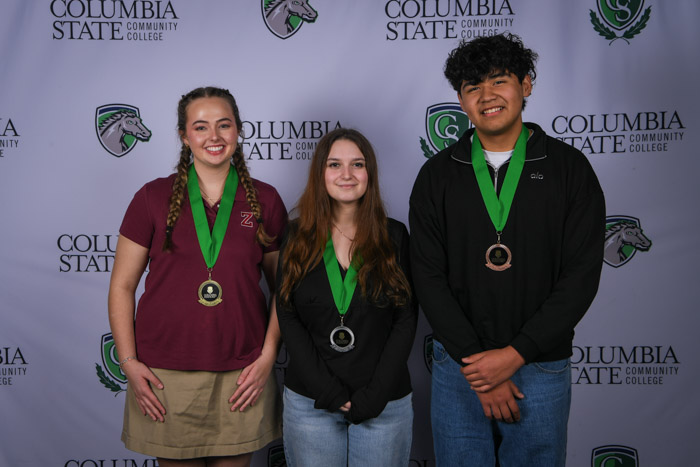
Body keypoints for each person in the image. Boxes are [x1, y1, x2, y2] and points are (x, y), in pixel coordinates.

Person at [409, 33, 605, 466]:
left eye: (499, 81)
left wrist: (514, 355)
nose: (487, 95)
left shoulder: (569, 169)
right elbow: (427, 276)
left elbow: (581, 275)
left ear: (527, 85)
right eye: (472, 87)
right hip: (460, 368)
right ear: (460, 100)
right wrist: (481, 369)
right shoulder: (438, 175)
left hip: (539, 365)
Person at [108, 86, 287, 467]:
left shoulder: (266, 199)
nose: (214, 137)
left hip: (243, 372)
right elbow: (122, 287)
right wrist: (129, 363)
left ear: (238, 130)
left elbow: (283, 290)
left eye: (224, 125)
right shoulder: (151, 197)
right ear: (183, 135)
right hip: (165, 374)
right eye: (201, 127)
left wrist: (268, 357)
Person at [276, 128, 417, 467]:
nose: (346, 175)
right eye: (334, 164)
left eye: (357, 164)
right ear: (319, 174)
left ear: (370, 173)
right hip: (312, 402)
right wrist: (328, 390)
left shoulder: (394, 235)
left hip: (383, 402)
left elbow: (406, 318)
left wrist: (377, 394)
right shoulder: (296, 236)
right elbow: (287, 314)